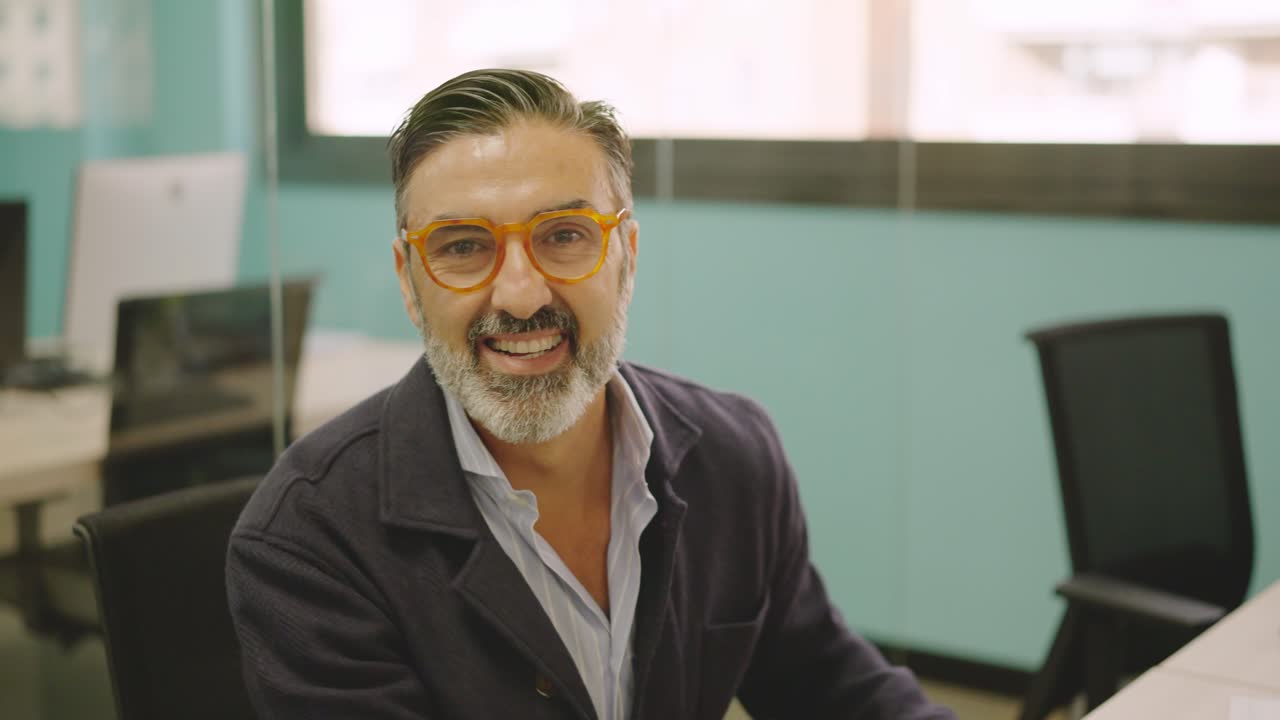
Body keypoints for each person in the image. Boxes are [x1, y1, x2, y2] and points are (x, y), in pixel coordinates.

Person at [226, 68, 955, 720]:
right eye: (461, 246)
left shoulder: (734, 455)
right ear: (409, 283)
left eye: (565, 235)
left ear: (626, 257)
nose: (519, 294)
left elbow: (829, 685)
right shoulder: (309, 538)